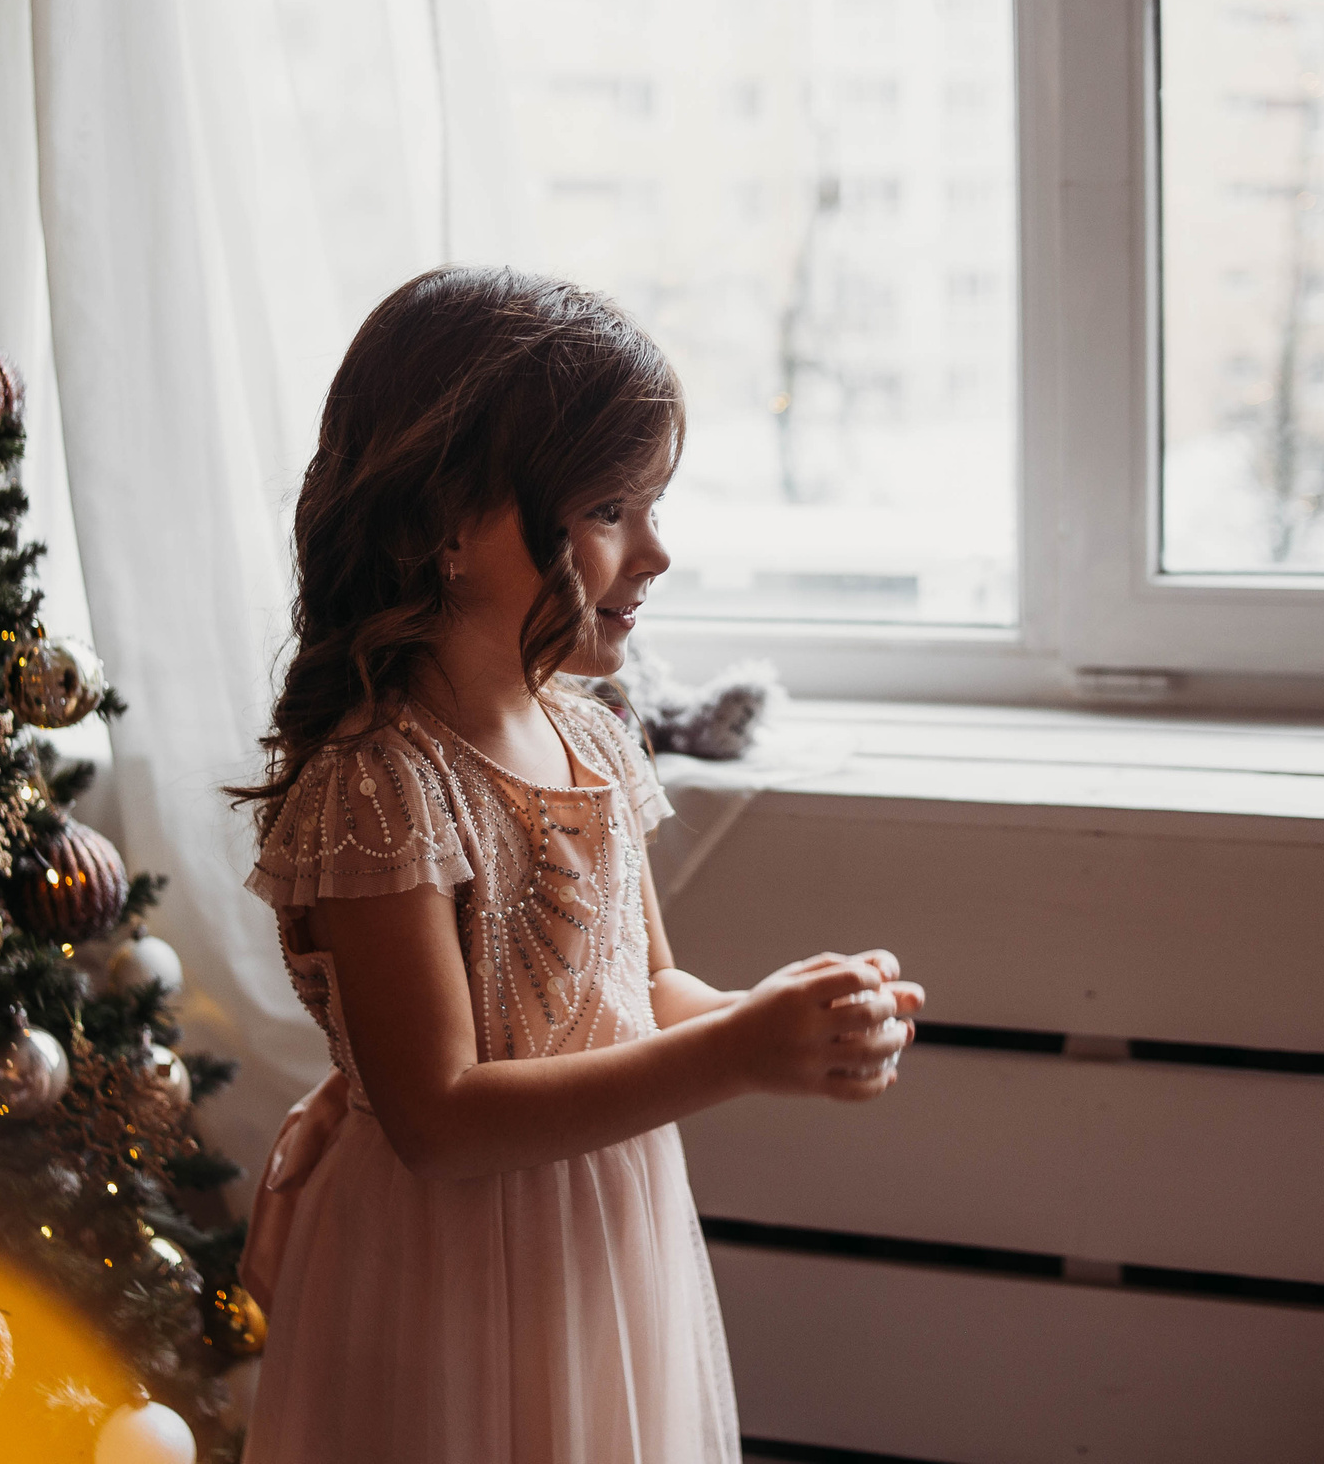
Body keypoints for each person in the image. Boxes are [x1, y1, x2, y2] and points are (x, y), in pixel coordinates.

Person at [234, 267, 924, 1463]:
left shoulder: (595, 735)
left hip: (606, 1234)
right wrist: (735, 1052)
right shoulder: (382, 782)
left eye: (651, 506)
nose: (654, 550)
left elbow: (637, 993)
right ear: (439, 523)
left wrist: (781, 1019)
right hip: (439, 1268)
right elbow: (439, 1119)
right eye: (609, 508)